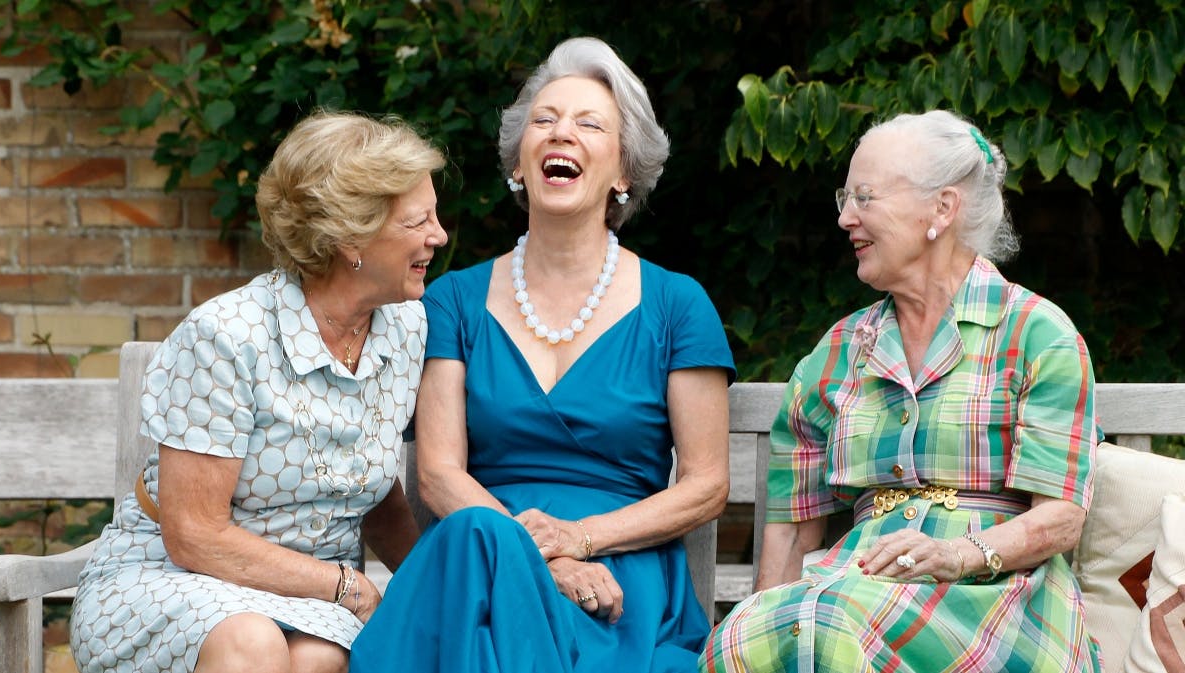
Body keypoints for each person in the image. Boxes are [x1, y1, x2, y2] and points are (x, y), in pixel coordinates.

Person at [349, 36, 735, 673]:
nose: (562, 134)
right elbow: (440, 475)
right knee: (478, 545)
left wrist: (580, 541)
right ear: (519, 162)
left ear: (624, 172)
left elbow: (706, 485)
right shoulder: (453, 301)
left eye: (590, 124)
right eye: (545, 121)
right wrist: (543, 558)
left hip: (616, 578)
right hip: (483, 557)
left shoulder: (677, 304)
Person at [701, 110, 1100, 672]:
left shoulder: (1037, 334)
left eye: (864, 197)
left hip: (999, 597)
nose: (845, 218)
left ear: (941, 208)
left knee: (836, 622)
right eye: (845, 198)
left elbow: (1061, 518)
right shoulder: (838, 352)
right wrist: (766, 623)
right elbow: (790, 535)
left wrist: (954, 555)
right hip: (861, 588)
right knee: (740, 640)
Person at [69, 110, 449, 673]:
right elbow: (194, 537)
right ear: (351, 236)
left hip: (312, 599)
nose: (437, 236)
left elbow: (375, 493)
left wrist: (438, 595)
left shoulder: (406, 326)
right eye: (417, 221)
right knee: (252, 645)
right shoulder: (228, 336)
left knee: (319, 658)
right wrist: (350, 585)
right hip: (174, 581)